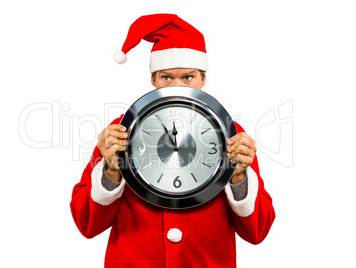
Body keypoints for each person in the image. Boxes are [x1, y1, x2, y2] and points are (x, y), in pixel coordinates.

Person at [70, 14, 275, 267]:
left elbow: (257, 233)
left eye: (187, 77)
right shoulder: (120, 131)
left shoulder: (230, 133)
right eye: (167, 77)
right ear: (153, 80)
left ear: (203, 79)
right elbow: (87, 225)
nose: (177, 86)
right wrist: (111, 171)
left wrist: (239, 178)